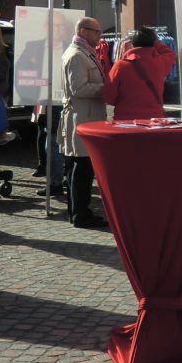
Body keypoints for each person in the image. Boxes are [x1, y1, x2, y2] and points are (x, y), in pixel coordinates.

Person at [60, 17, 109, 229]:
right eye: (96, 31)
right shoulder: (77, 55)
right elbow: (78, 88)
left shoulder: (83, 52)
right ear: (83, 31)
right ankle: (80, 213)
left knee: (78, 168)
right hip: (82, 116)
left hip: (85, 115)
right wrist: (105, 88)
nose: (99, 36)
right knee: (82, 168)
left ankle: (77, 211)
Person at [104, 26, 176, 121]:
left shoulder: (121, 65)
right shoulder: (160, 62)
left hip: (126, 120)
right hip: (154, 120)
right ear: (153, 44)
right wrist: (155, 42)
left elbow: (108, 97)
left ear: (132, 44)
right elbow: (170, 53)